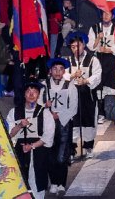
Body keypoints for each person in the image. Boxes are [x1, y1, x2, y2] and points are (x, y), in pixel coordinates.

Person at [7, 81, 54, 199]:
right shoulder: (14, 112)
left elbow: (48, 135)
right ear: (24, 94)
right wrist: (19, 126)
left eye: (35, 92)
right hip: (19, 151)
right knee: (19, 181)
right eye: (28, 92)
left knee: (38, 181)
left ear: (38, 95)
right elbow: (8, 134)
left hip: (38, 151)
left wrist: (32, 146)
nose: (31, 95)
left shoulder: (45, 112)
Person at [43, 58, 77, 195]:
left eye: (60, 69)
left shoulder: (70, 85)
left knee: (62, 154)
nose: (57, 72)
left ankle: (62, 183)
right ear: (50, 71)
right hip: (48, 123)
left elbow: (74, 107)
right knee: (50, 154)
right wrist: (46, 108)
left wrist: (60, 116)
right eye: (55, 69)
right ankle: (54, 182)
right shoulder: (44, 85)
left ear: (64, 71)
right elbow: (38, 105)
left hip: (64, 123)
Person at [67, 32, 101, 158]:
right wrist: (72, 76)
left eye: (78, 46)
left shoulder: (93, 60)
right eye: (73, 47)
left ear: (84, 45)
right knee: (73, 122)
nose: (76, 49)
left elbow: (97, 75)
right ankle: (72, 148)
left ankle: (88, 146)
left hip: (87, 94)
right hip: (73, 95)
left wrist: (86, 81)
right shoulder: (68, 61)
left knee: (88, 121)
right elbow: (63, 75)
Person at [88, 10, 115, 124]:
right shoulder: (94, 28)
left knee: (113, 86)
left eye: (108, 14)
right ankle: (100, 113)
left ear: (112, 16)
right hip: (98, 60)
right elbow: (91, 46)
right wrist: (98, 39)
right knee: (98, 87)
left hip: (112, 60)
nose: (105, 16)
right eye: (104, 14)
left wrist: (109, 49)